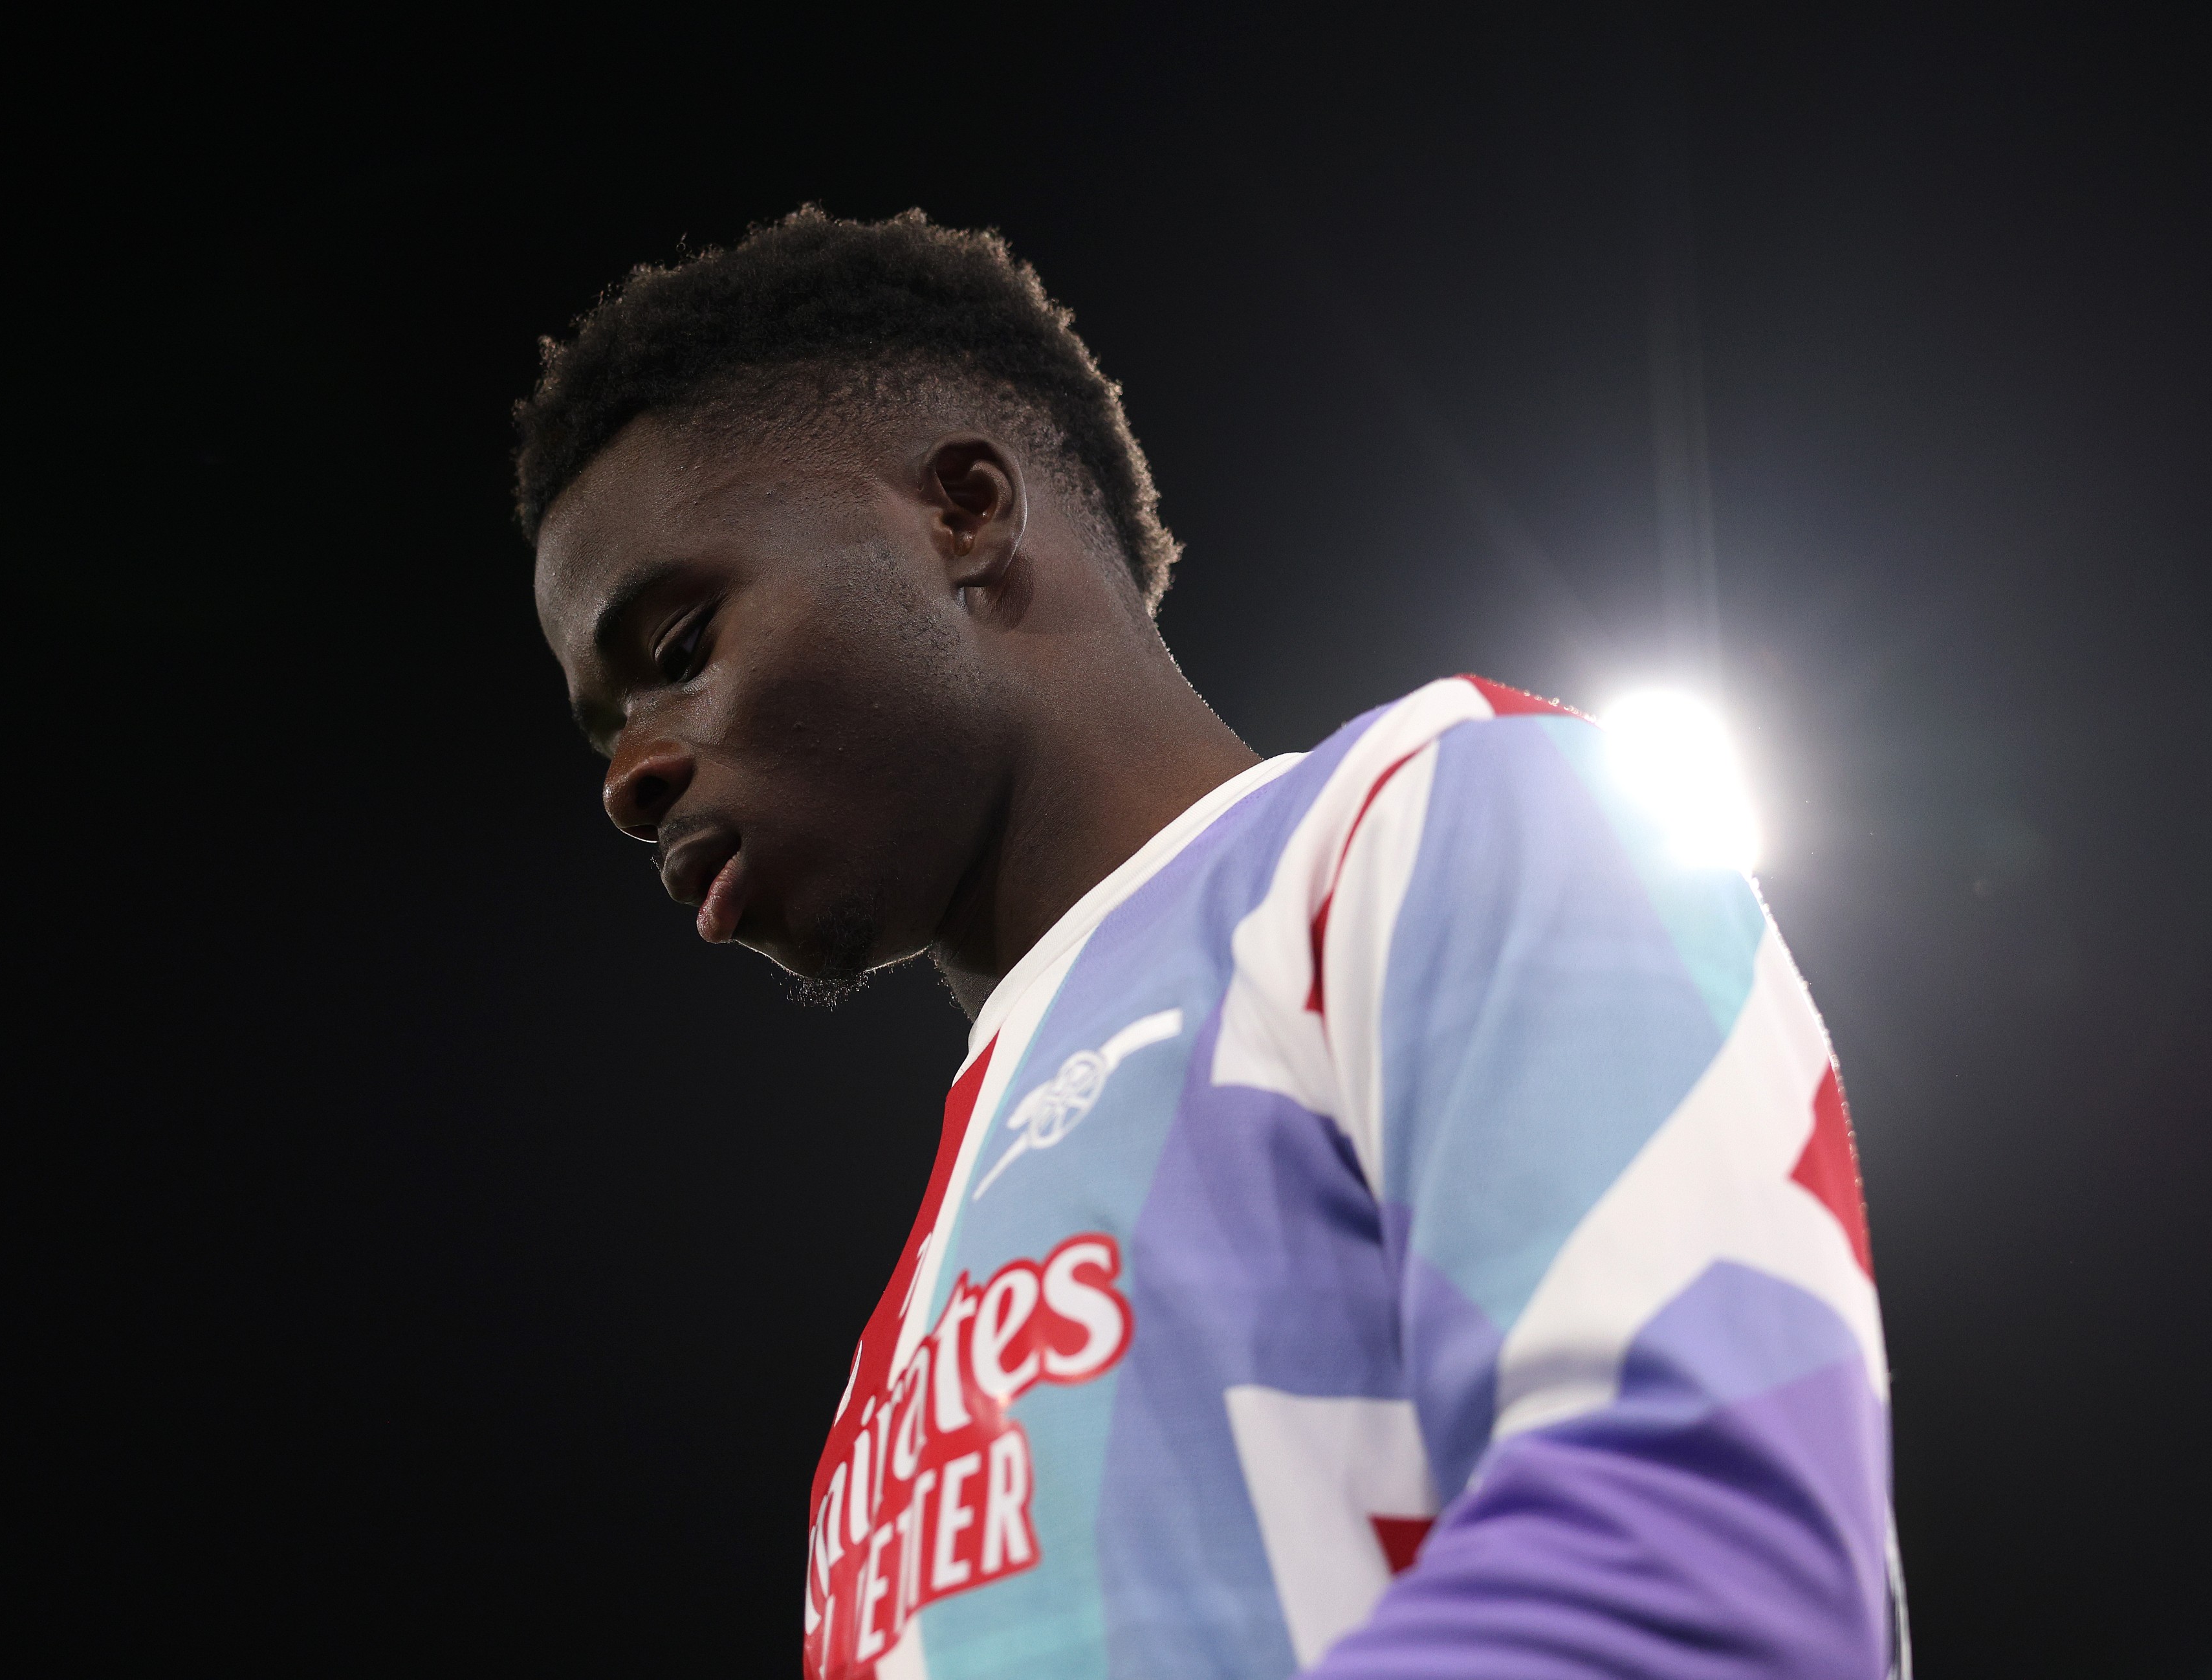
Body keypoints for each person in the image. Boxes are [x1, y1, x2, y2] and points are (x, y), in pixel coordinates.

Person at [519, 208, 1903, 1679]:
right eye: (602, 739)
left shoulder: (1436, 812)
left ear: (964, 512)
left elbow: (1698, 1576)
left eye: (676, 651)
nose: (628, 781)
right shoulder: (890, 1349)